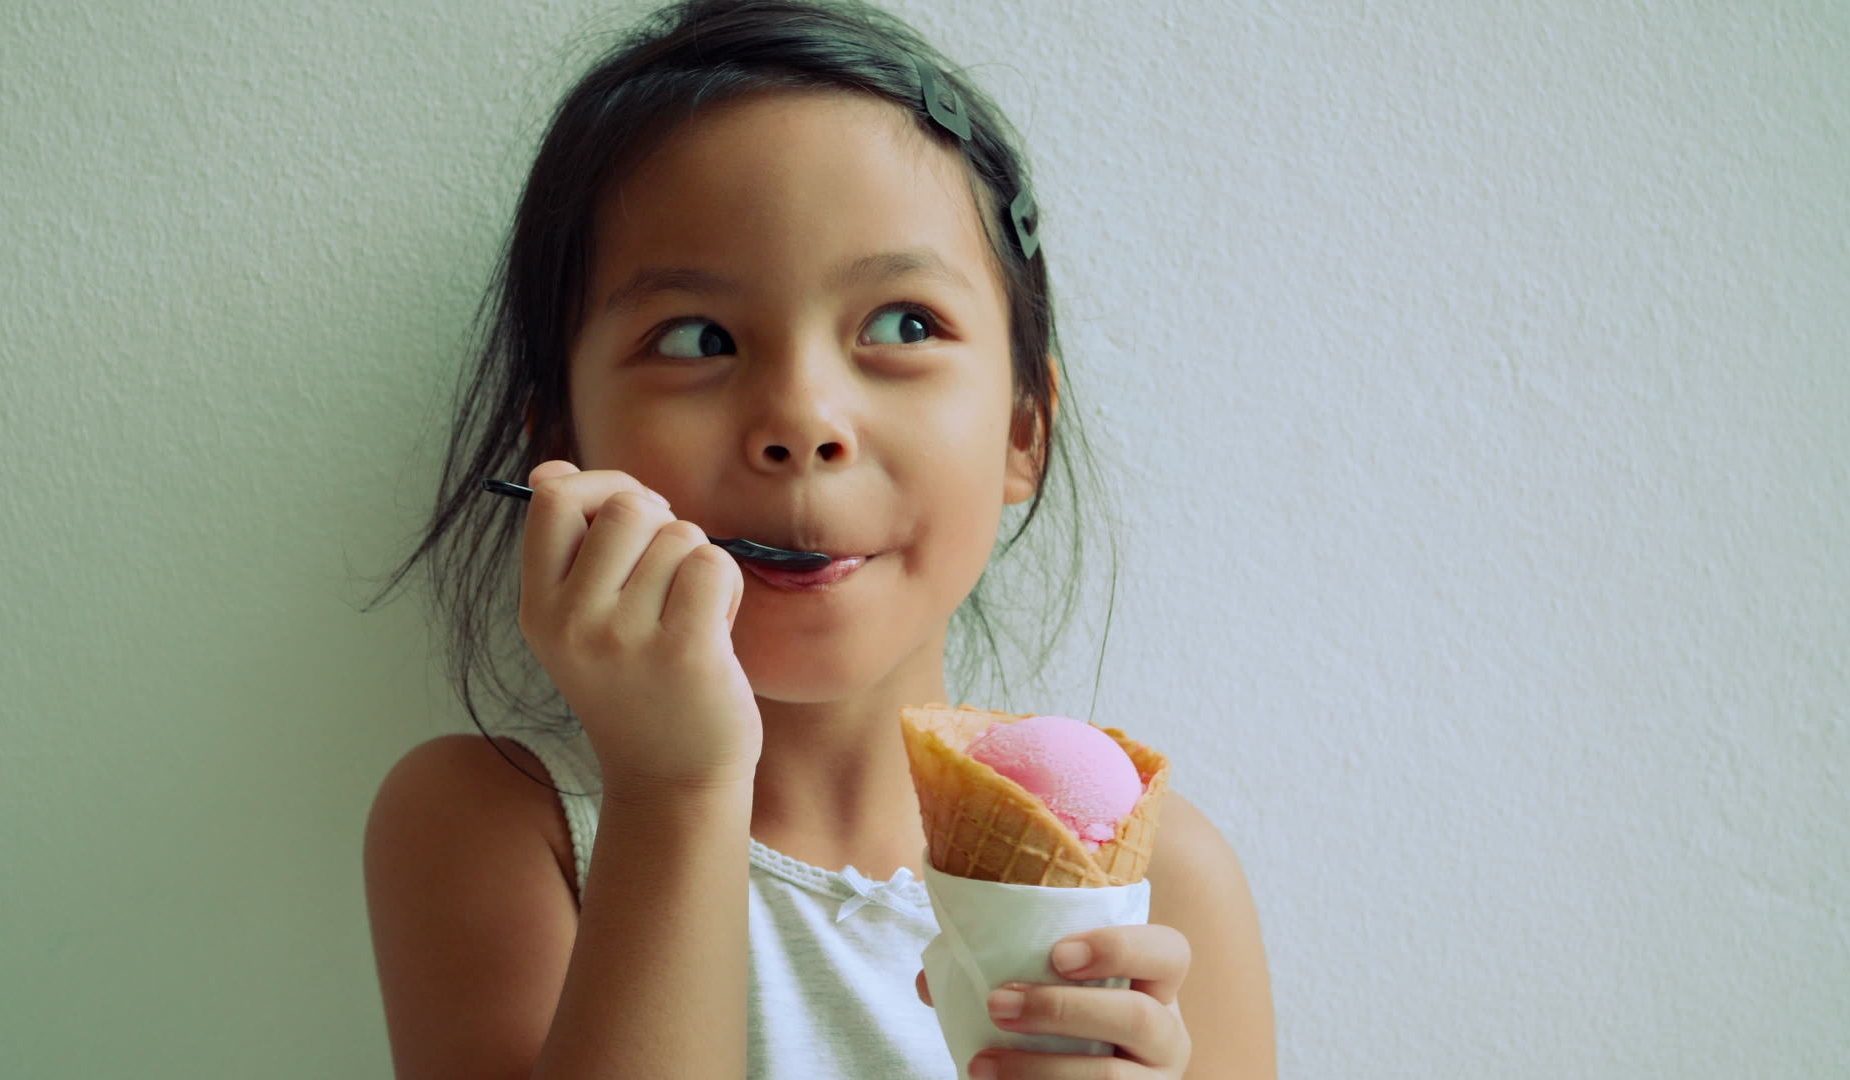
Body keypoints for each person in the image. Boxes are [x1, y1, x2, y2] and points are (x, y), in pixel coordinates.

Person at [360, 1, 1275, 1076]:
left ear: (1023, 428)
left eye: (902, 325)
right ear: (565, 444)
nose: (800, 421)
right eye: (698, 340)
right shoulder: (496, 827)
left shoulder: (1164, 884)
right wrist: (676, 787)